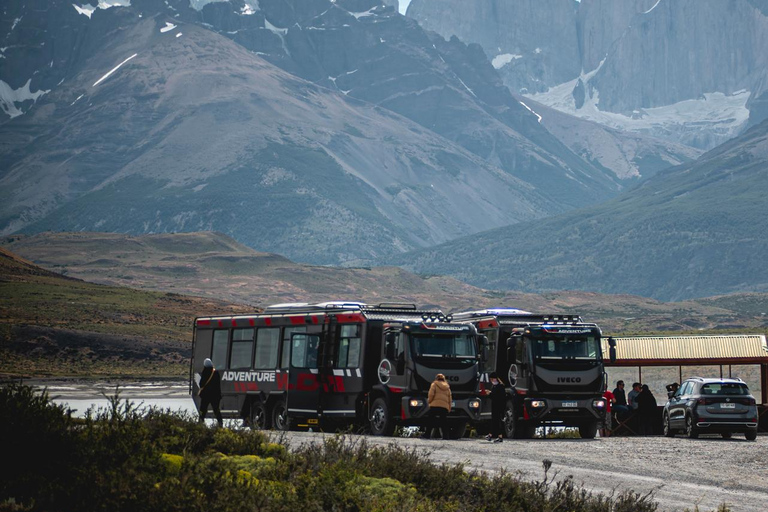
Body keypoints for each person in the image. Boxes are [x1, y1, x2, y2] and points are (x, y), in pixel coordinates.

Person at [425, 373, 452, 439]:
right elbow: (450, 398)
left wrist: (429, 401)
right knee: (444, 421)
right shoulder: (447, 387)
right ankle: (446, 436)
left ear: (436, 378)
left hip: (434, 405)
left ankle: (427, 434)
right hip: (444, 407)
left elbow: (431, 394)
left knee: (430, 420)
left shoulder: (434, 384)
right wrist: (449, 407)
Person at [198, 358, 223, 428]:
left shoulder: (205, 372)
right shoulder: (216, 372)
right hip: (215, 396)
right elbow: (218, 385)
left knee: (203, 409)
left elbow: (201, 384)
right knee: (216, 410)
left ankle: (201, 422)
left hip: (206, 395)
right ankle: (220, 422)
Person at [485, 372, 506, 443]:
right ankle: (491, 435)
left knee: (498, 421)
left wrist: (490, 394)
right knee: (494, 421)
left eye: (492, 379)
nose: (492, 381)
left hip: (499, 406)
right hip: (494, 406)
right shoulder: (494, 386)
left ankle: (499, 437)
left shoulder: (500, 386)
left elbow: (499, 397)